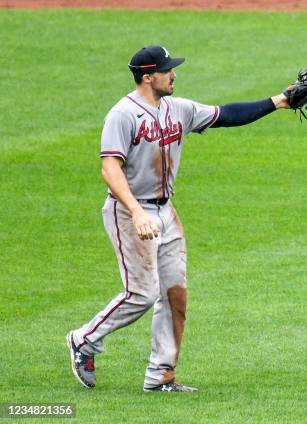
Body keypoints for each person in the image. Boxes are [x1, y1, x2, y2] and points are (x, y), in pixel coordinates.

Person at [66, 45, 291, 392]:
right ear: (147, 76)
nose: (174, 74)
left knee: (174, 294)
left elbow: (227, 114)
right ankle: (85, 339)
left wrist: (278, 100)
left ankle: (161, 376)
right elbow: (110, 167)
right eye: (168, 69)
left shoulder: (177, 108)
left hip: (166, 211)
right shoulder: (122, 115)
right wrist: (137, 212)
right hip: (129, 210)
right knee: (141, 293)